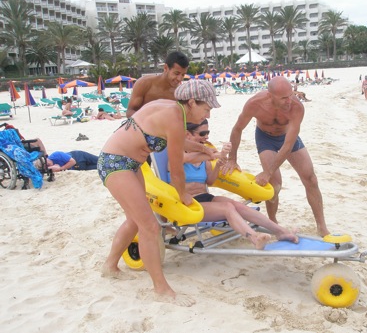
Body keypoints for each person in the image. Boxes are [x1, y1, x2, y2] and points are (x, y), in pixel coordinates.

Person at [98, 80, 220, 307]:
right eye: (207, 108)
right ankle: (161, 289)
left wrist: (204, 149)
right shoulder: (174, 117)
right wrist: (183, 195)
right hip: (116, 164)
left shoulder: (172, 108)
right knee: (150, 226)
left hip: (128, 163)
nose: (208, 115)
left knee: (135, 221)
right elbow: (175, 169)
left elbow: (179, 140)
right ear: (192, 102)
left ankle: (110, 266)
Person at [222, 76, 330, 237]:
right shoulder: (255, 103)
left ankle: (321, 226)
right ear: (270, 95)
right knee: (275, 184)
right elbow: (237, 128)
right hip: (265, 138)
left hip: (288, 139)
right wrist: (232, 158)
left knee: (311, 179)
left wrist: (268, 171)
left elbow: (287, 146)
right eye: (284, 98)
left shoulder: (297, 107)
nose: (289, 101)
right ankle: (273, 222)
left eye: (291, 95)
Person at [172, 119, 299, 249]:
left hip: (204, 197)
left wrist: (217, 166)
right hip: (187, 203)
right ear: (188, 135)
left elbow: (209, 181)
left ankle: (281, 231)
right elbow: (186, 159)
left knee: (238, 206)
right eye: (202, 133)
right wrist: (215, 154)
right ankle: (254, 238)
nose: (206, 137)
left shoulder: (205, 158)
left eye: (208, 133)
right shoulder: (176, 153)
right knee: (227, 207)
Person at [126, 51, 190, 117]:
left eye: (183, 75)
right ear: (165, 68)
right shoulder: (145, 83)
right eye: (176, 73)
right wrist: (149, 122)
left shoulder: (179, 93)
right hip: (142, 125)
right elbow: (130, 111)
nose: (179, 79)